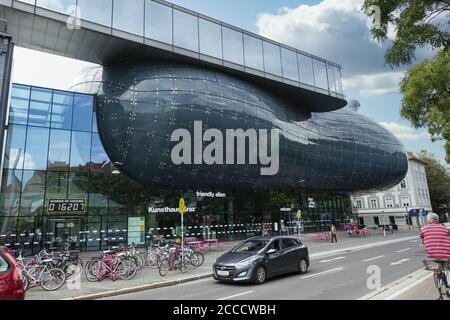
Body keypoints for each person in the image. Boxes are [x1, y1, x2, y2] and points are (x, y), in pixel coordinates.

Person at [420, 212, 450, 294]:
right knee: (448, 265)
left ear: (429, 220)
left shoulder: (423, 229)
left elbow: (422, 241)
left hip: (431, 254)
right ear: (437, 219)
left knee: (436, 263)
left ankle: (438, 273)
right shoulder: (445, 228)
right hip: (446, 254)